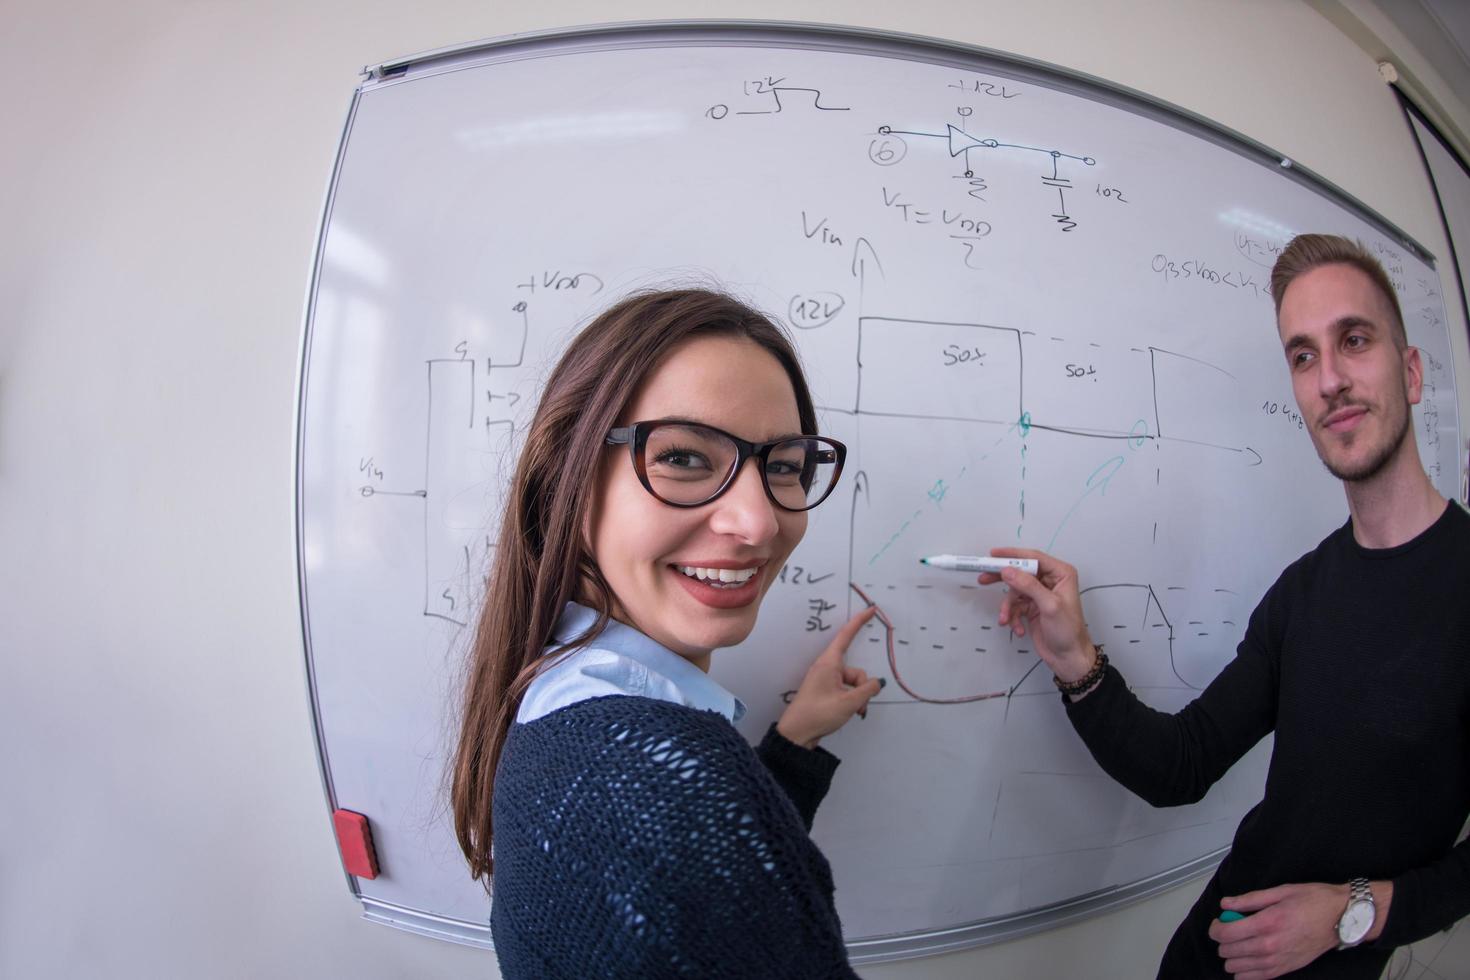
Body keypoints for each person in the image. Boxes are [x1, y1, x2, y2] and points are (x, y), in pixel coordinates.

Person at [984, 234, 1470, 979]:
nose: (1330, 378)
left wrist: (1350, 913)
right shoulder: (1302, 592)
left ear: (1409, 372)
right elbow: (1180, 767)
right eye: (1303, 356)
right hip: (1204, 955)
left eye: (1355, 340)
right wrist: (1075, 658)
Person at [450, 288, 882, 979]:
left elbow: (700, 901)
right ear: (566, 473)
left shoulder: (558, 689)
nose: (760, 523)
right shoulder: (663, 783)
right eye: (684, 458)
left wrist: (794, 743)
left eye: (783, 466)